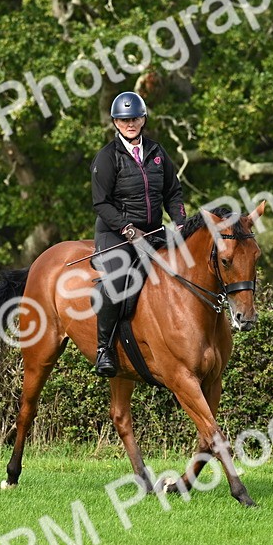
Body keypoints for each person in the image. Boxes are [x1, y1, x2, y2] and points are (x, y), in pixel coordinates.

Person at [89, 91, 186, 377]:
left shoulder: (157, 152)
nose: (130, 124)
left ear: (143, 119)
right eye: (124, 119)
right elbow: (101, 203)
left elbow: (173, 191)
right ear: (116, 123)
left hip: (153, 231)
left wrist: (179, 221)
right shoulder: (107, 157)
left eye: (135, 118)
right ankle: (104, 349)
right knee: (117, 282)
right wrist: (128, 229)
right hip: (116, 234)